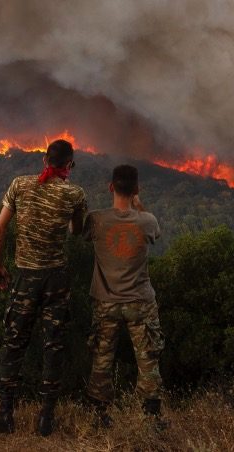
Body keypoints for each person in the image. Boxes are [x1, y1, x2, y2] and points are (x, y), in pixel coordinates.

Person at [0, 139, 87, 437]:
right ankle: (46, 418)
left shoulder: (19, 185)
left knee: (14, 343)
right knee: (53, 345)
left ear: (45, 159)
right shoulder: (75, 193)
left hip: (25, 277)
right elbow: (78, 230)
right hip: (55, 279)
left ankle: (6, 415)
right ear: (69, 165)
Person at [83, 164, 166, 429]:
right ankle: (151, 419)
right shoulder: (147, 220)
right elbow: (155, 233)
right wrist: (139, 206)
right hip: (140, 302)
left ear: (110, 187)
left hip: (106, 302)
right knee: (147, 358)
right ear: (136, 190)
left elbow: (79, 232)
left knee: (102, 357)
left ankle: (98, 416)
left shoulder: (96, 220)